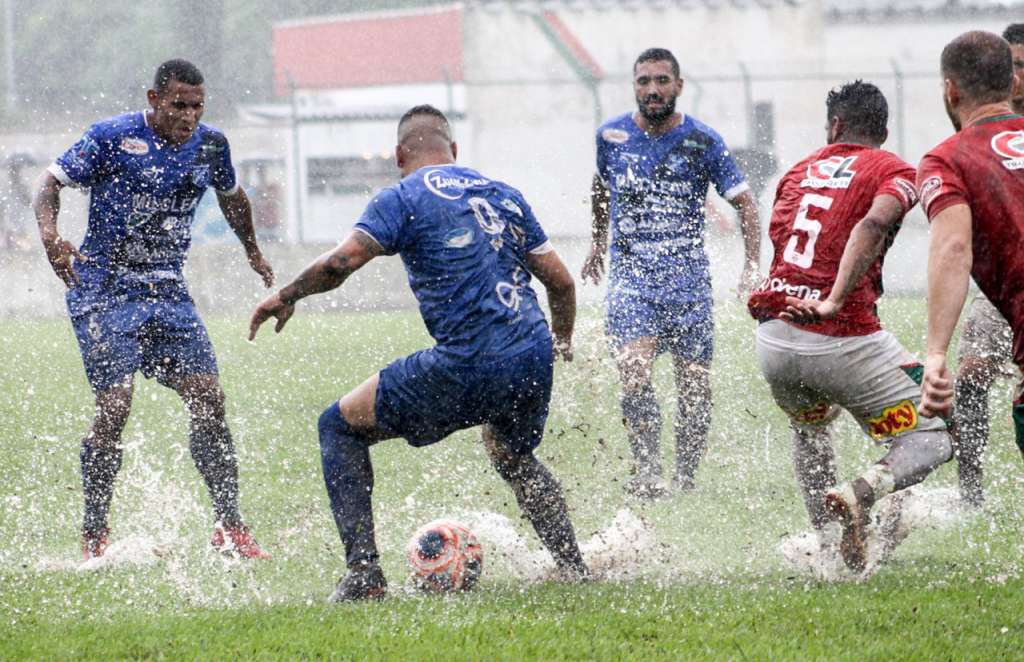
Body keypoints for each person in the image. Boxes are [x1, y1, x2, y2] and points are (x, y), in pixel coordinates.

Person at [249, 105, 588, 602]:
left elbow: (342, 261)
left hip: (469, 360)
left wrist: (287, 295)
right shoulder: (502, 194)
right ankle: (573, 567)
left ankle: (364, 574)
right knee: (513, 453)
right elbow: (560, 281)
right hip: (531, 354)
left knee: (337, 426)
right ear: (454, 152)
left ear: (399, 155)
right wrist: (561, 342)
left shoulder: (402, 196)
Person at [32, 59, 275, 560]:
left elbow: (233, 197)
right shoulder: (113, 137)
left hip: (167, 288)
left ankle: (230, 527)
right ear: (153, 99)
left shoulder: (211, 145)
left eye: (196, 106)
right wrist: (50, 235)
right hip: (102, 286)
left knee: (209, 397)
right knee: (116, 407)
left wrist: (251, 248)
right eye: (178, 105)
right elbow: (49, 182)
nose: (188, 116)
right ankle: (95, 534)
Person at [748, 81, 952, 573]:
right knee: (934, 437)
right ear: (882, 130)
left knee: (811, 430)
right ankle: (862, 493)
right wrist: (835, 298)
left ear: (834, 126)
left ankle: (827, 546)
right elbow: (872, 224)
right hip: (840, 339)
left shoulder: (798, 170)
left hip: (773, 338)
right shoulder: (894, 169)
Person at [581, 48, 761, 498]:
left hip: (688, 284)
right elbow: (601, 187)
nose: (653, 89)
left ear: (679, 85)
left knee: (695, 386)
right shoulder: (611, 136)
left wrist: (753, 265)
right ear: (634, 87)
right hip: (633, 281)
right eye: (644, 81)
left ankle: (685, 479)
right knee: (633, 369)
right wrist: (597, 241)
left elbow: (746, 204)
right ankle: (647, 472)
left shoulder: (703, 140)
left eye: (662, 80)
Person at [918, 32, 1024, 467]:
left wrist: (937, 353)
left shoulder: (948, 159)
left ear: (950, 89)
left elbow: (954, 246)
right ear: (1014, 83)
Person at [946, 23, 1024, 508]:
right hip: (999, 288)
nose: (1017, 78)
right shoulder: (974, 131)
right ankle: (970, 487)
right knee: (972, 371)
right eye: (1011, 66)